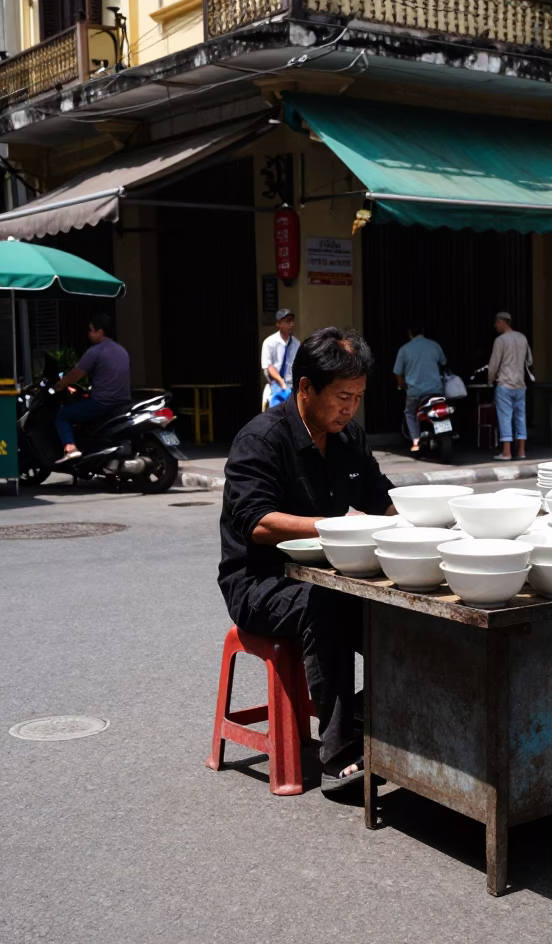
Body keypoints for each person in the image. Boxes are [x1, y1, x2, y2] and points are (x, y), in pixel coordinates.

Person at [219, 327, 395, 798]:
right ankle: (338, 751)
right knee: (327, 606)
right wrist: (334, 526)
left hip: (329, 574)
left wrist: (435, 524)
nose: (349, 408)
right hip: (259, 584)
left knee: (400, 609)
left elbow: (383, 501)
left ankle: (372, 715)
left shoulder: (348, 437)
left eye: (357, 397)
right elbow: (257, 522)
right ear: (304, 388)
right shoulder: (261, 439)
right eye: (341, 397)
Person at [52, 314, 131, 460]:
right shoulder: (122, 351)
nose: (89, 334)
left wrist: (60, 384)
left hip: (102, 403)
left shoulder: (95, 351)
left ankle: (70, 449)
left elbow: (76, 374)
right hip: (123, 403)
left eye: (91, 330)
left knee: (63, 415)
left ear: (100, 332)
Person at [392, 324, 447, 453]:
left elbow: (397, 372)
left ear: (410, 334)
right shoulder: (434, 345)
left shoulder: (404, 349)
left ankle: (416, 442)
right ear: (423, 332)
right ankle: (442, 432)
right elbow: (444, 362)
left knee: (410, 413)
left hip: (415, 392)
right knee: (440, 410)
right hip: (436, 390)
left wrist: (402, 386)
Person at [488, 311, 532, 461]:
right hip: (520, 385)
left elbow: (494, 364)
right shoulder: (522, 338)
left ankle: (506, 453)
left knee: (505, 417)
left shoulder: (500, 340)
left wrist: (490, 379)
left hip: (505, 385)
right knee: (521, 417)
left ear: (501, 322)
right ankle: (521, 451)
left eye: (496, 323)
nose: (495, 326)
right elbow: (529, 360)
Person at [260, 308, 301, 411]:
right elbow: (269, 366)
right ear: (278, 324)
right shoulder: (270, 342)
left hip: (292, 388)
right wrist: (280, 381)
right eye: (287, 321)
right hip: (275, 387)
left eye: (292, 321)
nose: (291, 324)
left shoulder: (296, 343)